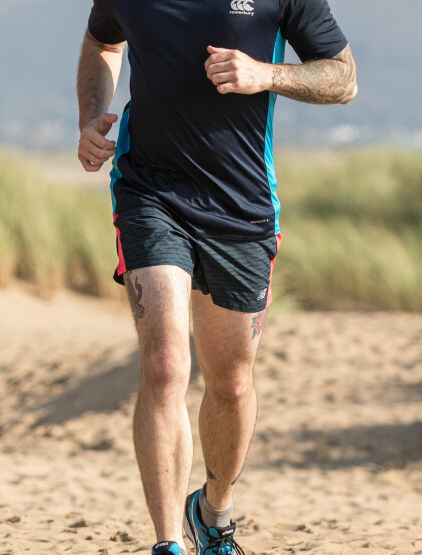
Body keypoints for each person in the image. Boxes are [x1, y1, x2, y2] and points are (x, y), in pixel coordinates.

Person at [74, 0, 357, 553]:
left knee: (230, 381)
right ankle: (167, 543)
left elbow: (343, 78)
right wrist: (90, 116)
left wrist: (263, 75)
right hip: (149, 192)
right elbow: (102, 42)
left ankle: (213, 509)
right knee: (164, 364)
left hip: (242, 204)